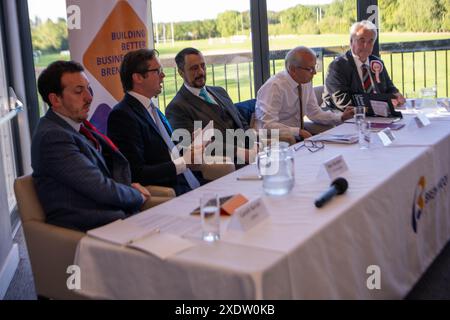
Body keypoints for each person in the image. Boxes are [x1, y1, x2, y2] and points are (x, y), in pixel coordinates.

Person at [32, 61, 149, 232]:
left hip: (113, 217)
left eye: (88, 88)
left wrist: (128, 189)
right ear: (55, 99)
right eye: (79, 91)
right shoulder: (53, 137)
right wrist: (136, 195)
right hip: (92, 229)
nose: (89, 97)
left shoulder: (75, 126)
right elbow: (101, 189)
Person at [107, 49, 200, 196]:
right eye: (157, 71)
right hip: (171, 193)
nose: (163, 75)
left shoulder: (152, 109)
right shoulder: (122, 116)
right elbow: (136, 173)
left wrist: (191, 147)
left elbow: (168, 152)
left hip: (191, 184)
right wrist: (184, 163)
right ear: (138, 77)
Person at [165, 47, 251, 163]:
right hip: (223, 166)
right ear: (181, 73)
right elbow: (193, 149)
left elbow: (242, 124)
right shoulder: (176, 108)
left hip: (250, 157)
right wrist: (238, 152)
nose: (201, 72)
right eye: (194, 68)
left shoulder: (220, 91)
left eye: (203, 66)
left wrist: (255, 144)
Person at [255, 46, 354, 139]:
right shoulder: (274, 87)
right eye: (310, 69)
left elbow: (314, 113)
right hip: (275, 141)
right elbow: (267, 125)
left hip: (298, 136)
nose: (314, 73)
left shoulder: (305, 82)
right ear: (293, 69)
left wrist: (340, 117)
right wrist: (297, 132)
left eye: (315, 67)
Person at [323, 20, 405, 111]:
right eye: (361, 40)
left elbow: (389, 87)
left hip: (379, 115)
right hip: (345, 116)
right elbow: (341, 100)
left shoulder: (377, 62)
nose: (366, 45)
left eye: (370, 41)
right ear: (351, 42)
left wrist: (396, 94)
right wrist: (374, 108)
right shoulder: (337, 66)